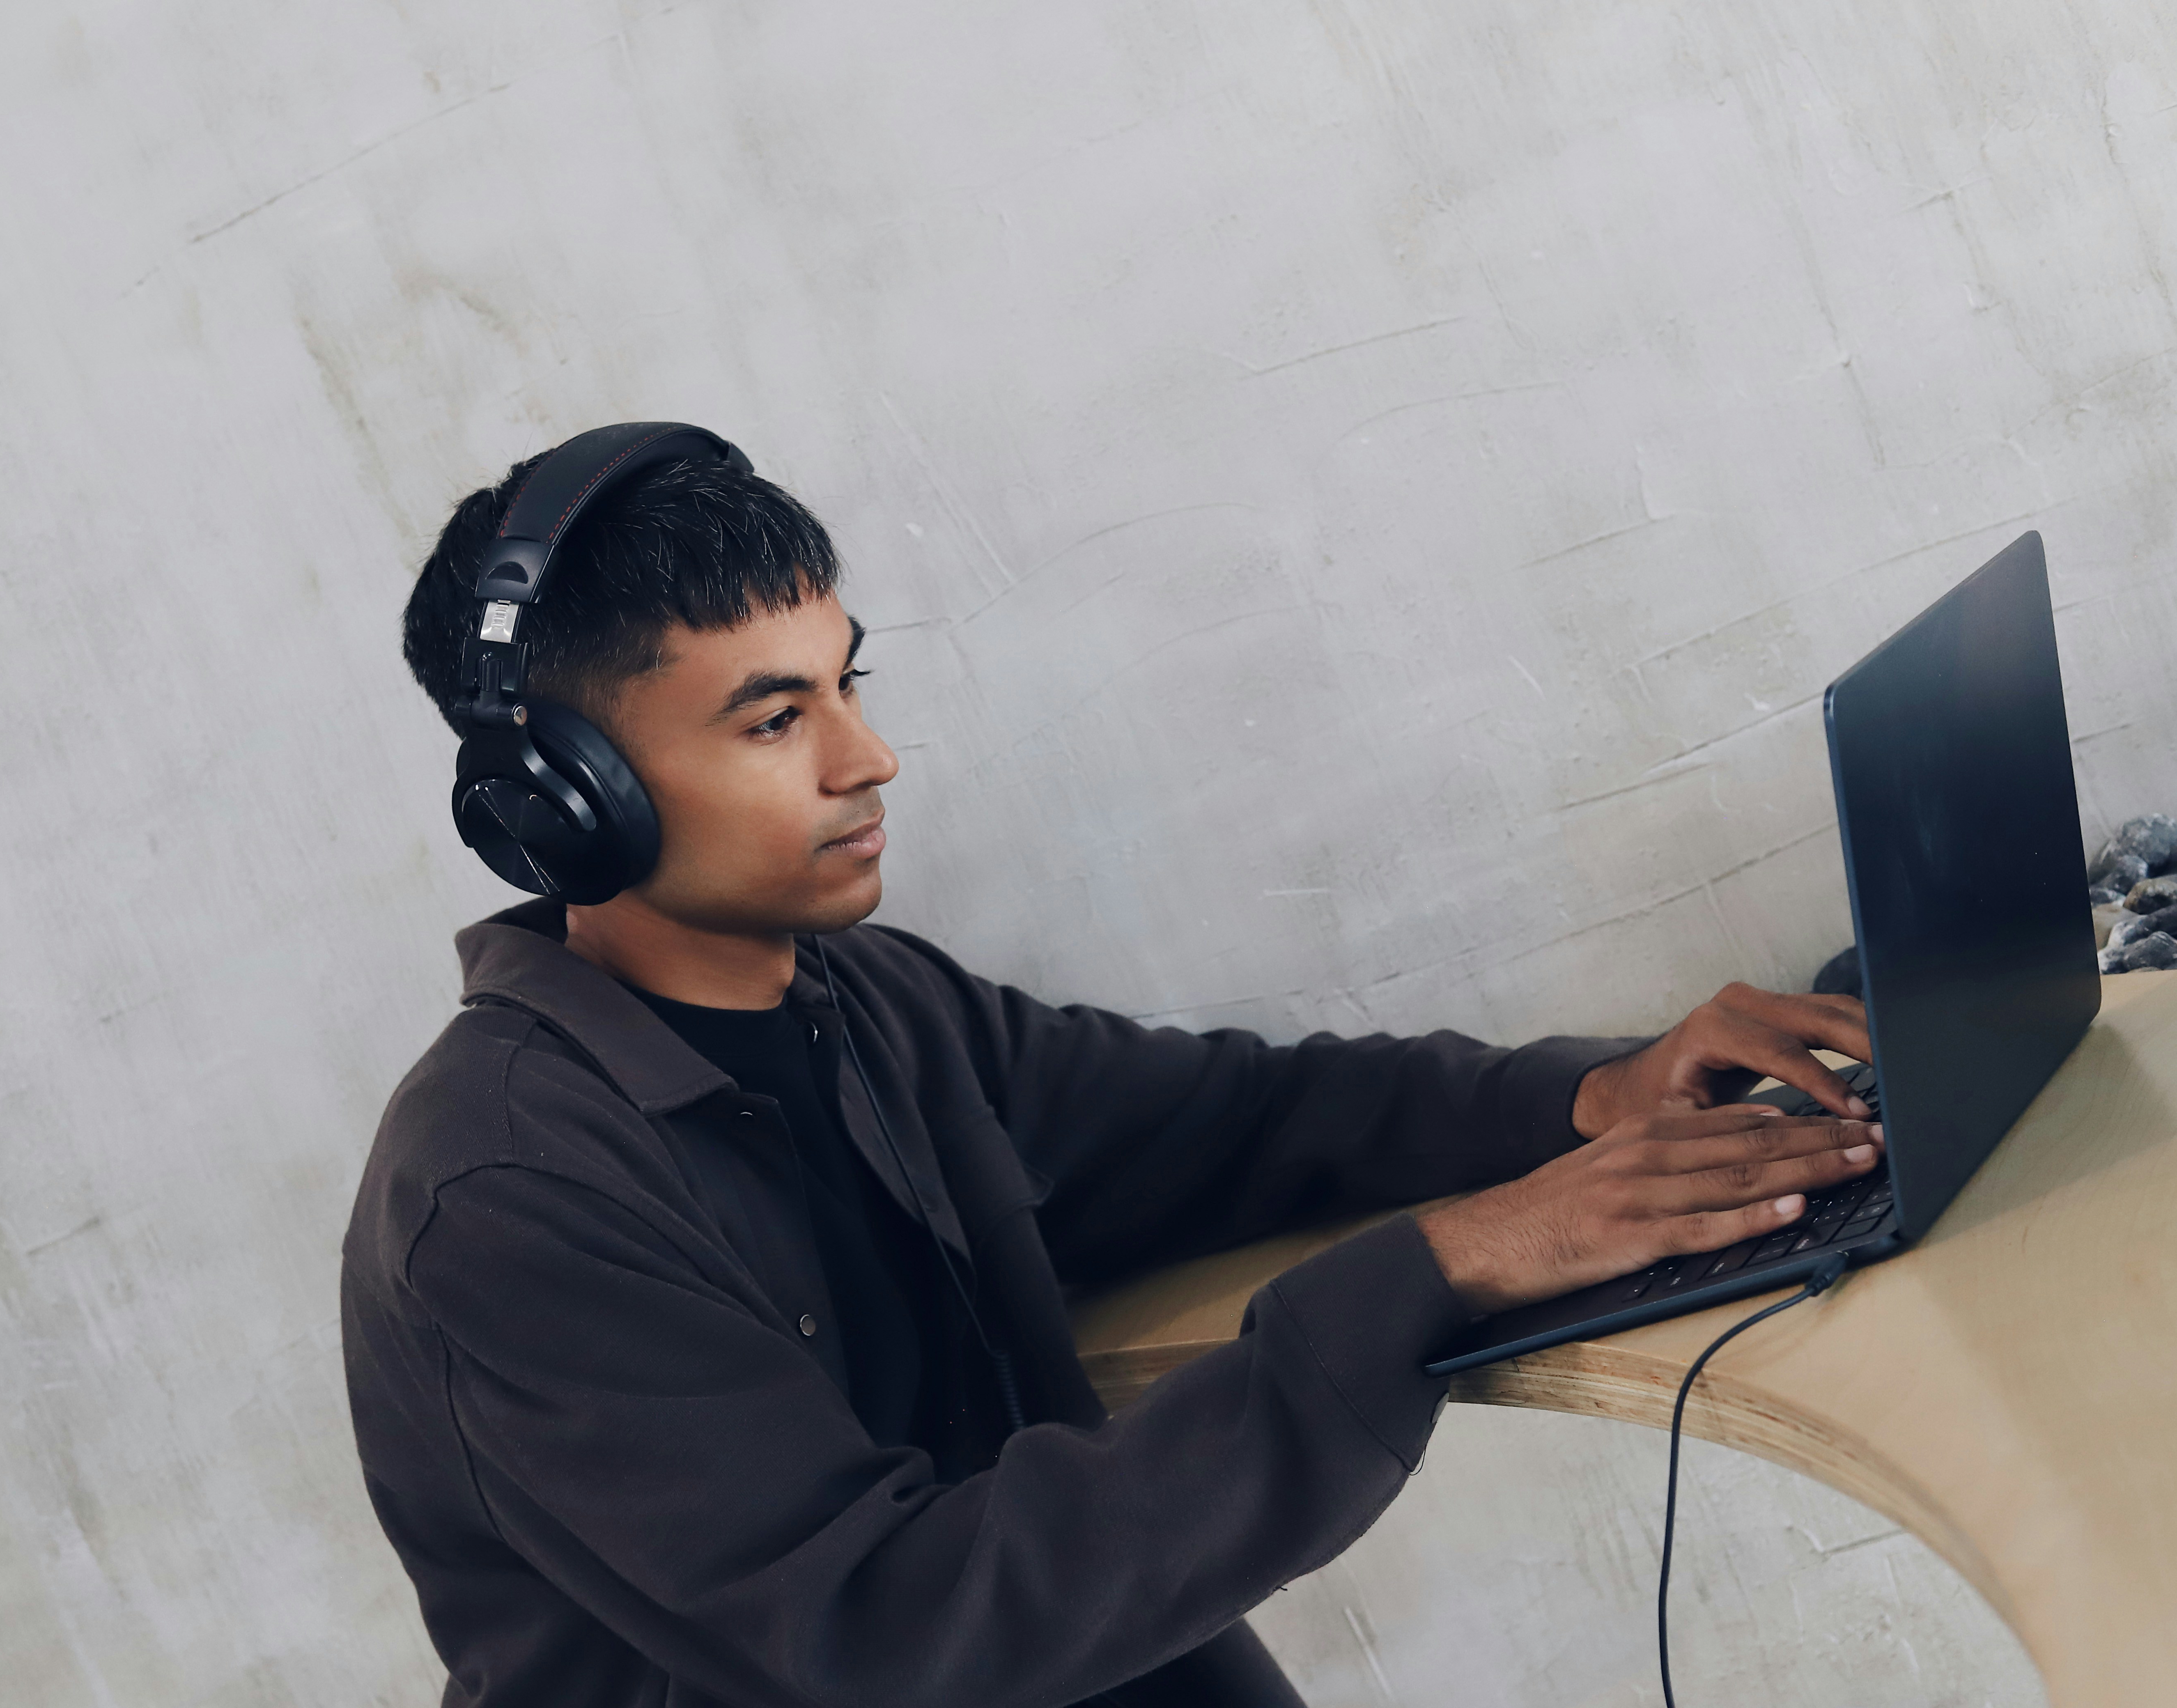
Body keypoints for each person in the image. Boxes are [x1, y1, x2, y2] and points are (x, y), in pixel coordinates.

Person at [340, 441, 1884, 1708]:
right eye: (776, 719)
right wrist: (1447, 1265)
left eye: (849, 685)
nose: (867, 759)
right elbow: (885, 1630)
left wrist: (1588, 1101)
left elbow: (1232, 1123)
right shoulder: (505, 1196)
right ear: (564, 803)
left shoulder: (870, 1005)